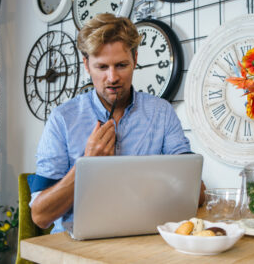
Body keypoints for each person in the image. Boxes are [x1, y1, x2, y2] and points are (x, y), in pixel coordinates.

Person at [29, 13, 205, 233]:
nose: (112, 78)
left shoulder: (161, 113)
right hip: (78, 248)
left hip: (146, 239)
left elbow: (196, 194)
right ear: (86, 64)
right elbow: (40, 216)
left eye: (121, 65)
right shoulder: (62, 119)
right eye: (102, 67)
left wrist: (175, 181)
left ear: (135, 60)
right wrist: (88, 164)